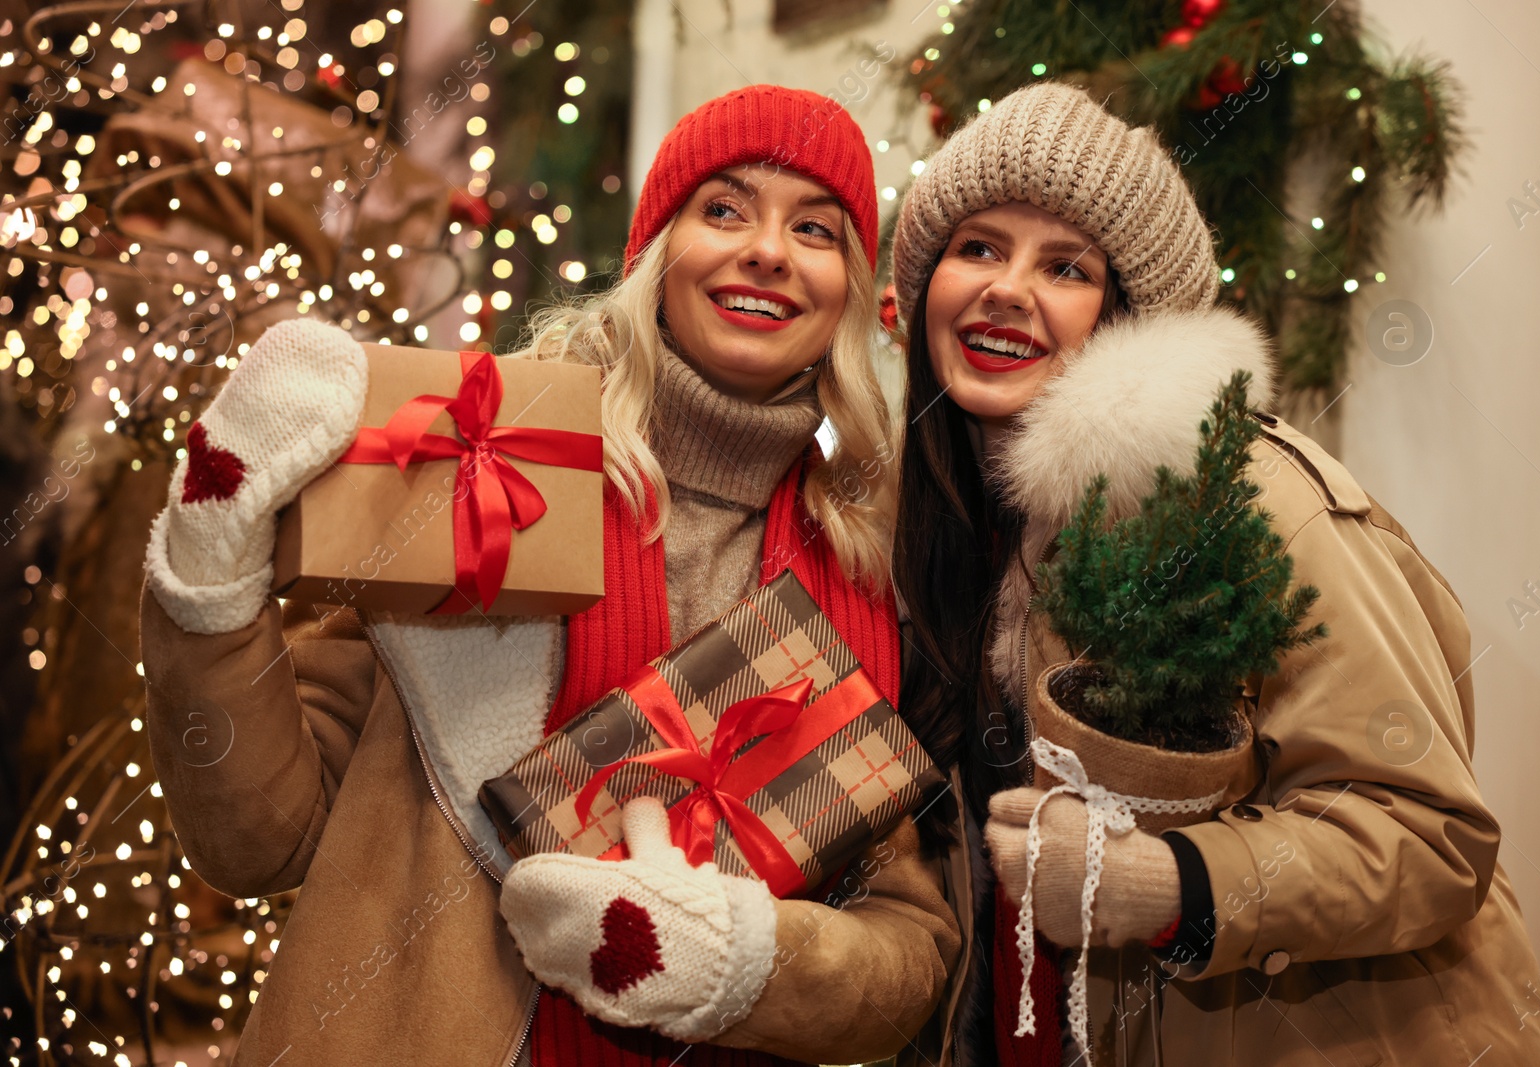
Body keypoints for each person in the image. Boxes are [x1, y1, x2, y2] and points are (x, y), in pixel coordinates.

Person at [139, 85, 957, 1067]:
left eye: (815, 229)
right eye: (725, 208)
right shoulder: (489, 479)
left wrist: (741, 958)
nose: (768, 251)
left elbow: (904, 950)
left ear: (847, 291)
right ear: (656, 253)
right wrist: (209, 580)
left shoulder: (863, 568)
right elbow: (257, 840)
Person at [889, 82, 1540, 1066]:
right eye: (978, 247)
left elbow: (1431, 836)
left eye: (1065, 265)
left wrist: (1171, 884)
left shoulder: (1248, 498)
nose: (1005, 287)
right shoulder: (955, 530)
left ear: (1125, 315)